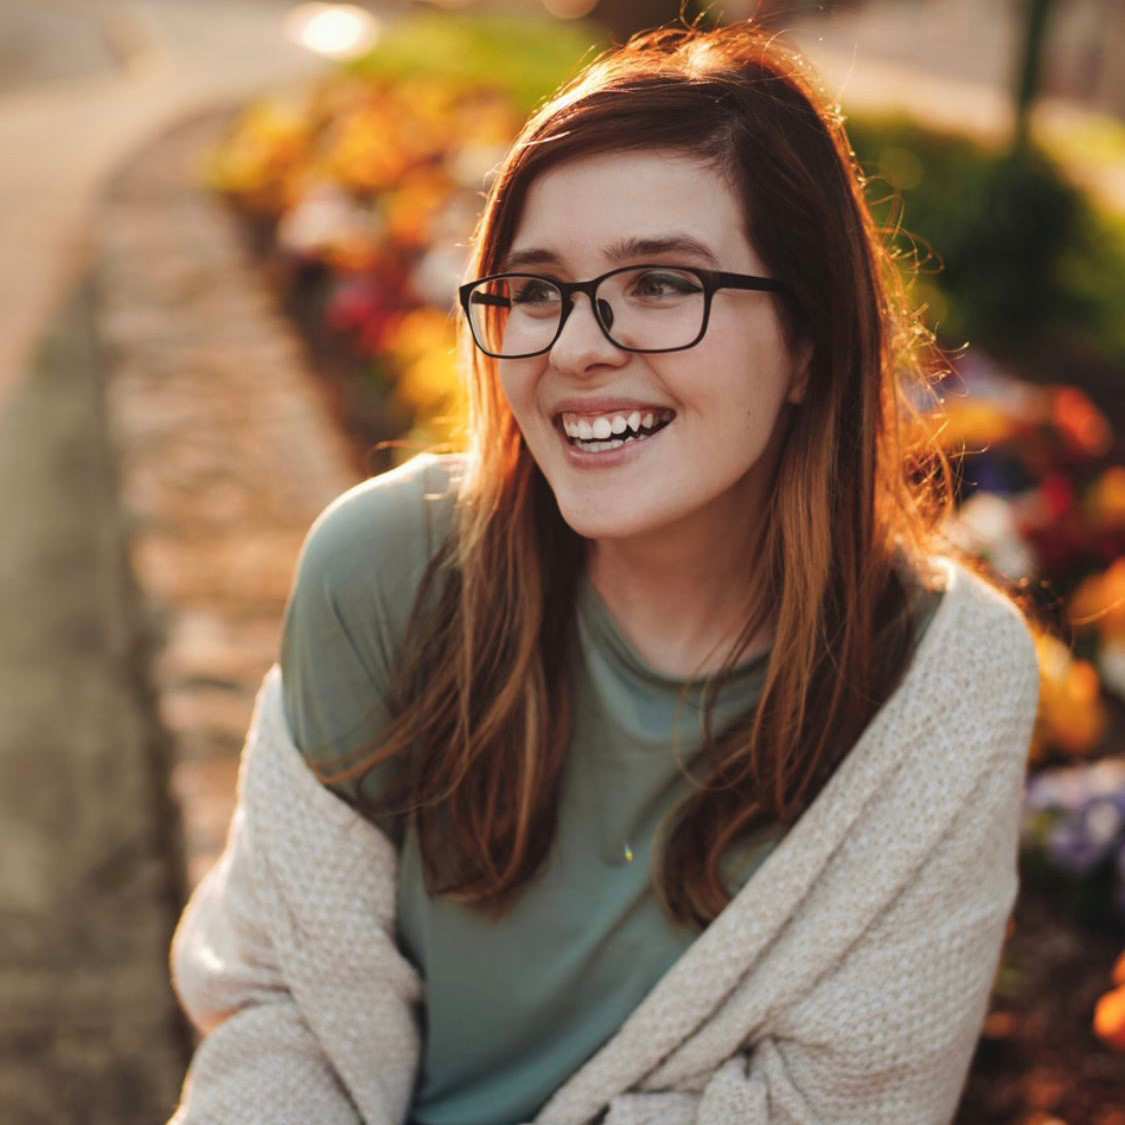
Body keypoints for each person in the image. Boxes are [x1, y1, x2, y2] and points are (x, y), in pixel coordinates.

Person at [167, 21, 1041, 1125]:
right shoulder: (385, 570)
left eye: (662, 283)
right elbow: (278, 1004)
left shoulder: (940, 689)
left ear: (810, 341)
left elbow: (836, 1106)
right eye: (535, 292)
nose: (577, 347)